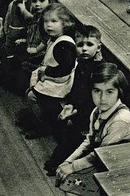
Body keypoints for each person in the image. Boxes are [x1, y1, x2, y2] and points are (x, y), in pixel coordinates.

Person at [56, 62, 130, 196]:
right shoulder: (97, 111)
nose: (102, 98)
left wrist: (73, 167)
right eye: (97, 91)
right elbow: (89, 141)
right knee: (66, 171)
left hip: (123, 169)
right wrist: (68, 161)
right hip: (106, 162)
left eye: (109, 91)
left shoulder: (121, 120)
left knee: (68, 179)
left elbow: (100, 154)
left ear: (119, 92)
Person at [44, 24, 105, 175]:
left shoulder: (99, 69)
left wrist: (75, 111)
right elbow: (76, 89)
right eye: (80, 45)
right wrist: (70, 105)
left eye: (89, 44)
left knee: (73, 132)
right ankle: (59, 159)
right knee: (64, 126)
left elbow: (95, 99)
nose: (84, 49)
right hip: (80, 110)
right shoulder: (81, 65)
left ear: (98, 47)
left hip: (94, 112)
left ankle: (62, 163)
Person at [24, 3, 78, 139]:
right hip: (52, 77)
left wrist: (46, 70)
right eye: (46, 21)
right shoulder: (54, 39)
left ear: (65, 24)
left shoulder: (64, 44)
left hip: (60, 81)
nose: (48, 25)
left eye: (54, 21)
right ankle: (36, 117)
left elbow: (66, 69)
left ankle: (43, 126)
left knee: (32, 96)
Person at [0, 0, 34, 90]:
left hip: (26, 41)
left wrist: (24, 11)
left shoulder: (34, 5)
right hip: (12, 38)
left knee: (21, 64)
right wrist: (6, 33)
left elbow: (33, 22)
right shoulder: (12, 4)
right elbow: (8, 19)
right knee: (8, 59)